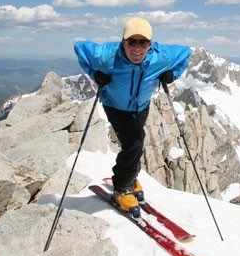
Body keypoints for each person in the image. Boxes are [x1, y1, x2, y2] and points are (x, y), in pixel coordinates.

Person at [74, 17, 191, 217]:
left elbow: (186, 53)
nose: (137, 48)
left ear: (150, 44)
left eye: (143, 42)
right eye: (132, 42)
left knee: (137, 141)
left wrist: (173, 74)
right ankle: (121, 187)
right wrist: (94, 73)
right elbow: (80, 48)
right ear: (123, 42)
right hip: (115, 106)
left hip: (141, 106)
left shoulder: (161, 57)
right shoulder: (106, 56)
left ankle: (130, 176)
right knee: (134, 144)